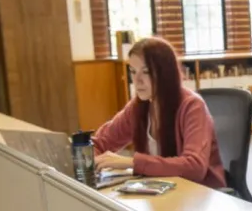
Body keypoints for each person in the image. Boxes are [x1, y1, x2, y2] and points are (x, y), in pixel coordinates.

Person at [92, 37, 227, 190]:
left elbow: (194, 167)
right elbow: (99, 143)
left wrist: (131, 162)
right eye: (133, 72)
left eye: (146, 72)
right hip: (161, 190)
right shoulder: (138, 107)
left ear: (165, 73)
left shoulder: (192, 106)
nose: (137, 80)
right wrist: (88, 157)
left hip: (201, 194)